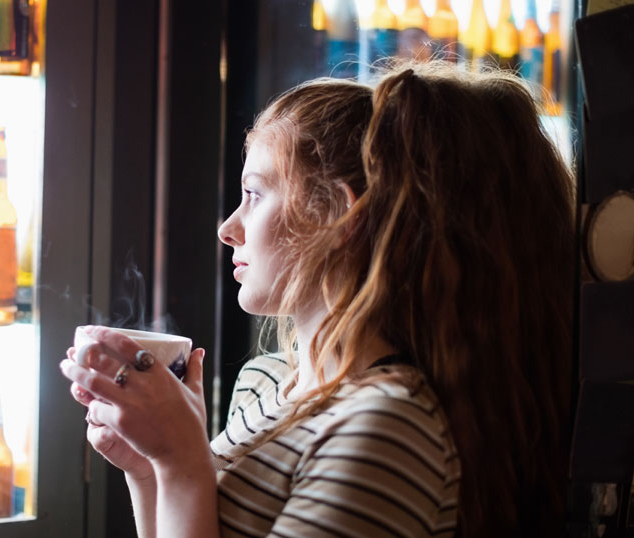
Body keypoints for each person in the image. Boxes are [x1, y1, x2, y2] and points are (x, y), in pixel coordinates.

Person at [59, 61, 575, 537]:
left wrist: (181, 463)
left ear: (339, 218)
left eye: (255, 195)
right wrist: (149, 467)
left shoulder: (386, 428)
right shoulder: (265, 383)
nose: (228, 228)